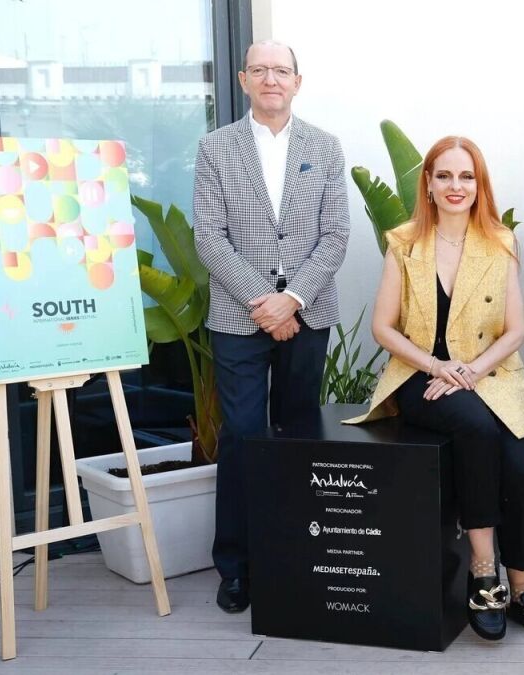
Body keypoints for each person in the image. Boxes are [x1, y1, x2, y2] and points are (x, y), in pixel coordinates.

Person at [346, 136, 524, 641]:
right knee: (475, 428)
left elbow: (514, 330)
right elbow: (383, 327)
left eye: (466, 176)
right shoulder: (404, 243)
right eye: (444, 175)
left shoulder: (500, 242)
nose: (455, 186)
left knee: (518, 463)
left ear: (479, 185)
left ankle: (523, 586)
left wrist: (470, 371)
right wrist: (438, 367)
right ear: (427, 183)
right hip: (420, 377)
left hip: (490, 374)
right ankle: (483, 571)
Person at [193, 40, 349, 614]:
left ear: (297, 82)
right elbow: (209, 236)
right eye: (259, 70)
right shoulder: (215, 147)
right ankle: (236, 566)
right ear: (243, 80)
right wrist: (264, 302)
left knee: (298, 432)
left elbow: (335, 234)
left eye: (281, 70)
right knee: (241, 436)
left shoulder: (325, 147)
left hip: (309, 312)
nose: (270, 79)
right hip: (239, 316)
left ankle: (295, 558)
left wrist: (293, 300)